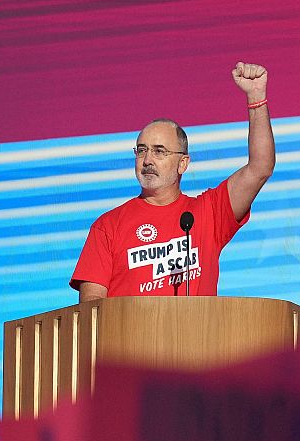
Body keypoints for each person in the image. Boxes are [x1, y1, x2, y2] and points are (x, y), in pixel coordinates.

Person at [71, 63, 273, 300]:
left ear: (183, 163)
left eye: (159, 151)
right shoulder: (107, 227)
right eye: (141, 150)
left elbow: (260, 167)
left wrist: (256, 98)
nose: (147, 160)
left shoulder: (208, 213)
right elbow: (91, 310)